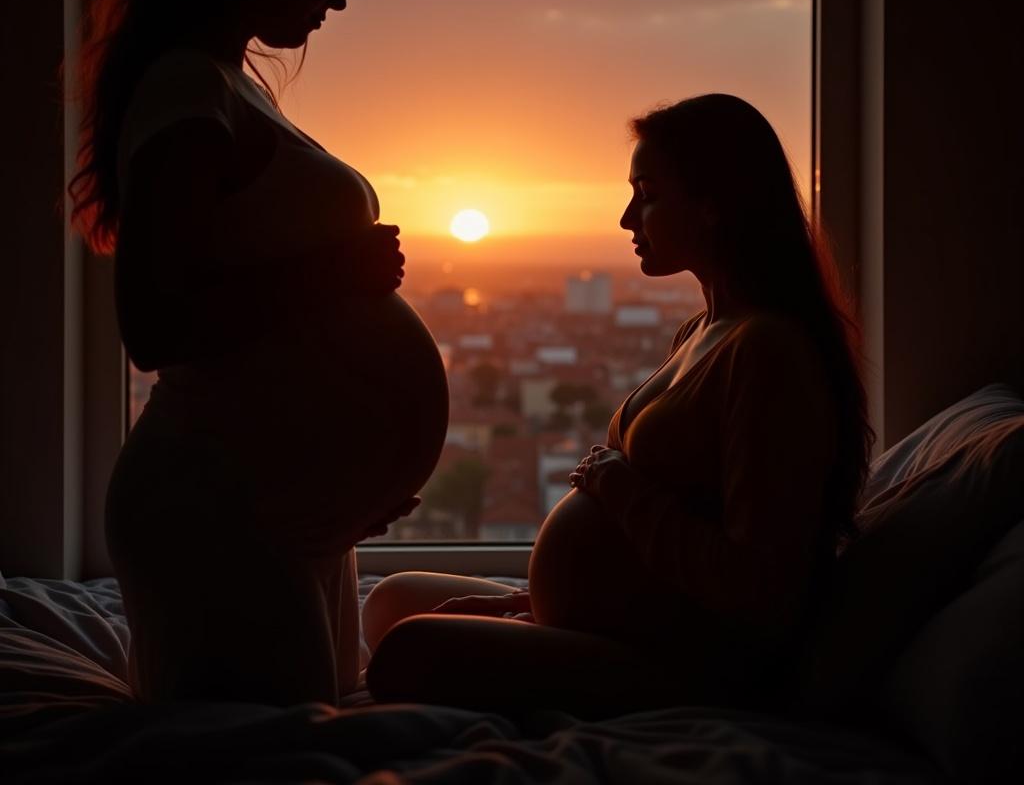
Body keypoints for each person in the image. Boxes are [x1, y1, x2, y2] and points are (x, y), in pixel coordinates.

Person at [67, 0, 448, 706]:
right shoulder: (186, 91)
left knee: (313, 734)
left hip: (272, 509)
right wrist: (332, 276)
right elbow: (155, 322)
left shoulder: (228, 82)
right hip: (215, 515)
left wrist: (345, 471)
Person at [363, 94, 874, 715]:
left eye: (649, 194)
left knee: (406, 650)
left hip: (687, 661)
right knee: (390, 597)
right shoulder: (702, 331)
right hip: (624, 625)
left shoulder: (768, 351)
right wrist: (535, 605)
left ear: (714, 205)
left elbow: (758, 588)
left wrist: (620, 488)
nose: (628, 218)